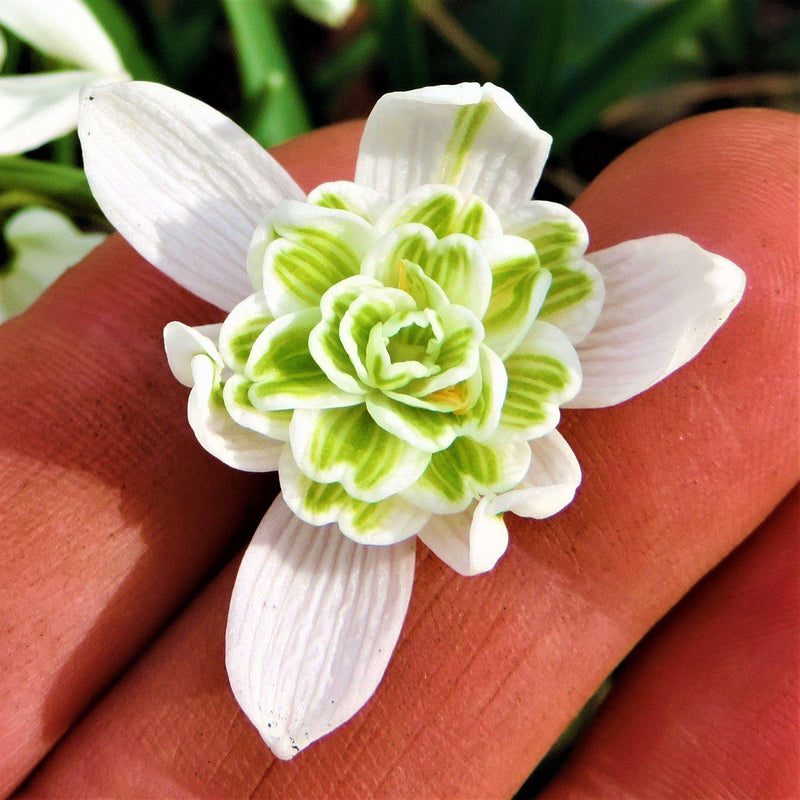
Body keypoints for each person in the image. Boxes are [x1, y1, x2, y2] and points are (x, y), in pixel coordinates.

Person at [1, 109, 797, 799]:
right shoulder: (279, 315)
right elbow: (134, 136)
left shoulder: (510, 403)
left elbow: (695, 287)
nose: (409, 354)